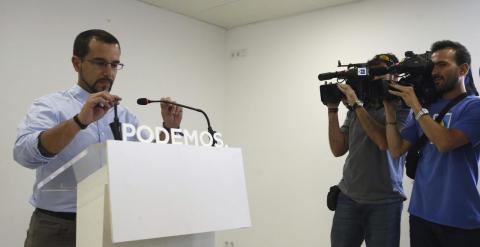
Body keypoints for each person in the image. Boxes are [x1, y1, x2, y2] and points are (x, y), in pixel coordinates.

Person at [13, 29, 183, 247]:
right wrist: (78, 121)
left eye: (114, 64)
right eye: (100, 63)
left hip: (112, 224)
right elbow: (24, 155)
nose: (108, 72)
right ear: (77, 63)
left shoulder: (125, 115)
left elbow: (146, 159)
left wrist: (169, 128)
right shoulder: (50, 106)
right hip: (58, 227)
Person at [385, 40, 480, 247]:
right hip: (421, 214)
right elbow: (396, 150)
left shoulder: (474, 106)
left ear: (463, 69)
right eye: (433, 65)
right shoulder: (426, 108)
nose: (435, 71)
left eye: (443, 65)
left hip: (460, 218)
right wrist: (390, 111)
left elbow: (445, 142)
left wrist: (416, 106)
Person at [327, 54, 410, 247]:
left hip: (385, 202)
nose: (375, 78)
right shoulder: (357, 108)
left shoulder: (402, 108)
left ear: (395, 76)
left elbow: (384, 143)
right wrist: (332, 109)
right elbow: (338, 149)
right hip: (348, 197)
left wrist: (356, 104)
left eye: (380, 73)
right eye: (372, 73)